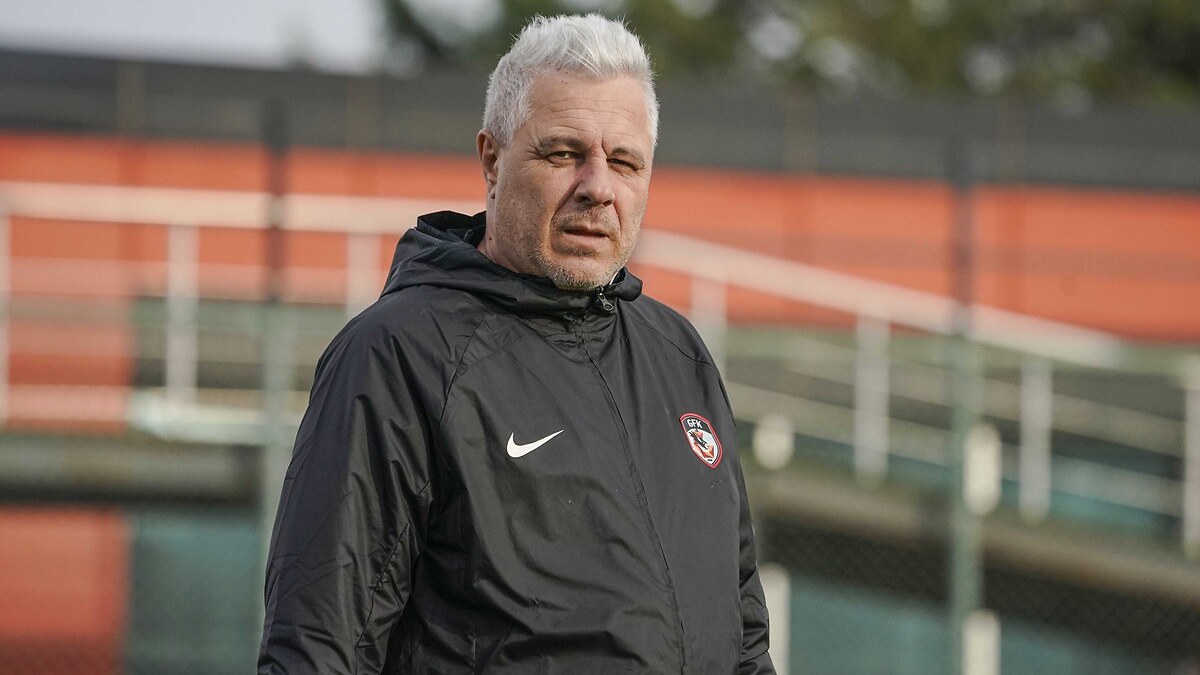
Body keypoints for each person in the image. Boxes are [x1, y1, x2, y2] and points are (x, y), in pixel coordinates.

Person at [259, 13, 774, 674]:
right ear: (492, 160)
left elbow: (745, 636)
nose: (598, 187)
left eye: (624, 162)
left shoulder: (679, 355)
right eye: (563, 154)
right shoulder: (397, 356)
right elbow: (319, 645)